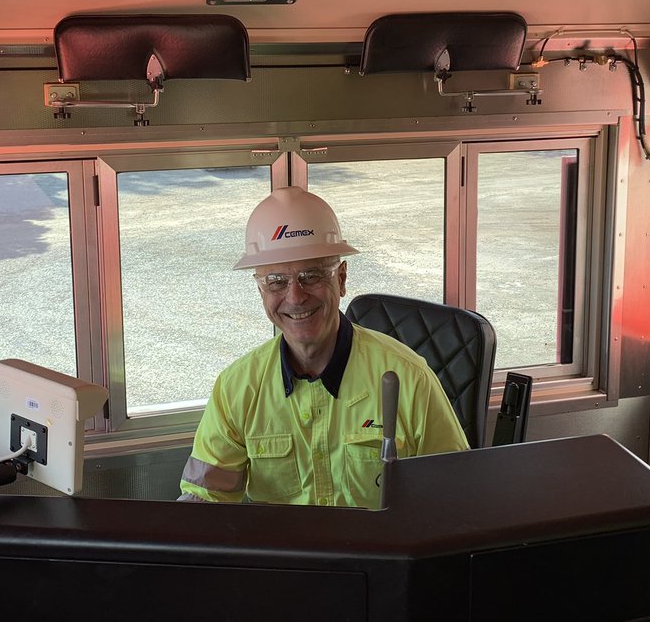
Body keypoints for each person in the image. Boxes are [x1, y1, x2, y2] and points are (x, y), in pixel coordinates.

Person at [178, 186, 468, 508]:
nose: (295, 296)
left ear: (341, 279)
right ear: (261, 290)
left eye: (311, 275)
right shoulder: (237, 389)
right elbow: (204, 504)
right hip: (284, 559)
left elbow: (454, 499)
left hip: (378, 557)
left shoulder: (409, 378)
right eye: (276, 281)